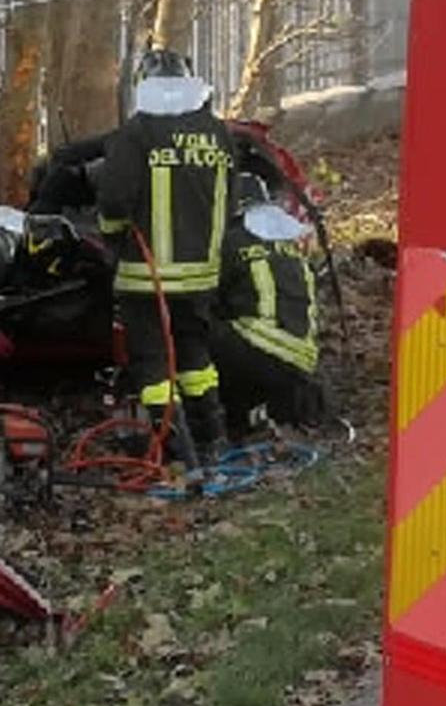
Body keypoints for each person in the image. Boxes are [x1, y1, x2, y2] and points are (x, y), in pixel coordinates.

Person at [98, 46, 233, 456]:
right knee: (195, 355)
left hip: (146, 277)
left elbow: (114, 201)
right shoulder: (217, 133)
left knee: (153, 364)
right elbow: (233, 200)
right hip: (202, 277)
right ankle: (213, 438)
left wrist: (113, 238)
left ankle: (174, 452)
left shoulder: (136, 134)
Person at [214, 200, 325, 431]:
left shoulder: (231, 241)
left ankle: (214, 424)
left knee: (194, 331)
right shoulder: (290, 246)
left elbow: (209, 296)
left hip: (257, 352)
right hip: (302, 358)